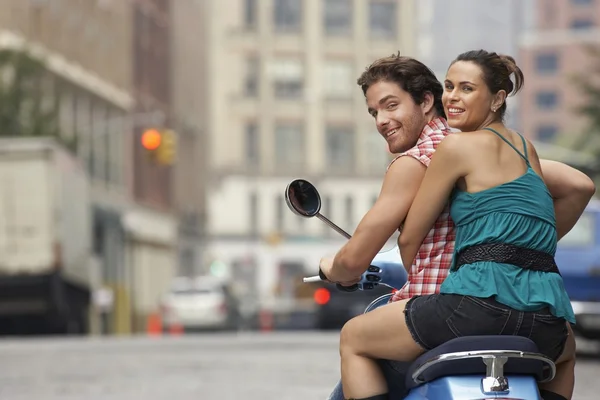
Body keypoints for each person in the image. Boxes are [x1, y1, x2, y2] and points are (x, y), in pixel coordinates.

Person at [322, 51, 594, 400]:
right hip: (545, 313)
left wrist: (337, 267)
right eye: (450, 86)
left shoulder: (440, 150)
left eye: (466, 88)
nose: (381, 120)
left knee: (354, 337)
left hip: (471, 307)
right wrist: (519, 248)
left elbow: (399, 244)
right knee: (566, 356)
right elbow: (580, 185)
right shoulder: (523, 151)